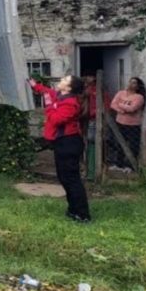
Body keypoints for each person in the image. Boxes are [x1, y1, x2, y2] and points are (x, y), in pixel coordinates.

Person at [43, 74, 90, 222]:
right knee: (64, 178)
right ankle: (73, 209)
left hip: (69, 143)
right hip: (62, 142)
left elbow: (56, 119)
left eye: (64, 80)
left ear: (69, 88)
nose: (61, 80)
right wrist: (33, 84)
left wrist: (49, 105)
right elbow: (47, 92)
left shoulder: (70, 103)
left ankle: (83, 214)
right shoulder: (60, 97)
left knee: (72, 179)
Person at [109, 77, 146, 172]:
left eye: (134, 83)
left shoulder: (139, 97)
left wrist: (120, 105)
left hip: (133, 125)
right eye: (130, 82)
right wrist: (122, 109)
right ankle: (118, 164)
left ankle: (130, 166)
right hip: (120, 122)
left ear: (137, 86)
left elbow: (132, 109)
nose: (130, 84)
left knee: (133, 146)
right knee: (118, 144)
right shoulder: (121, 93)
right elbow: (113, 104)